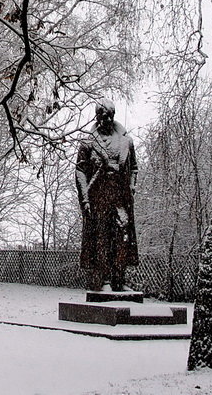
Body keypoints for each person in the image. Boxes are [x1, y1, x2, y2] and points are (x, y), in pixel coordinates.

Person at [75, 99, 138, 291]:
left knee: (122, 236)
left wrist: (132, 187)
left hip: (120, 196)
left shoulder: (126, 141)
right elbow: (80, 171)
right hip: (98, 197)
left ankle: (119, 279)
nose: (107, 120)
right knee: (101, 237)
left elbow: (134, 167)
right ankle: (104, 281)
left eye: (110, 116)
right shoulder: (88, 142)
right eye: (103, 116)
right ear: (97, 117)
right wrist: (85, 198)